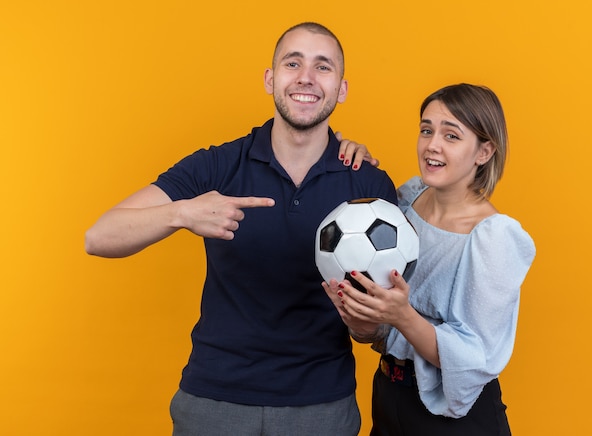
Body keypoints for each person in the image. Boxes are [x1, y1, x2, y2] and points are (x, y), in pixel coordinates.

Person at [85, 22, 396, 436]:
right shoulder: (218, 165)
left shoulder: (368, 185)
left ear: (341, 88)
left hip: (321, 407)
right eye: (292, 63)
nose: (306, 77)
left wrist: (363, 324)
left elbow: (373, 329)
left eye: (323, 67)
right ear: (271, 80)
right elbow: (99, 237)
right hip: (214, 402)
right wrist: (182, 213)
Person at [323, 83, 536, 435]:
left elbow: (473, 360)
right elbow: (380, 331)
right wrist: (361, 318)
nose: (432, 145)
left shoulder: (493, 238)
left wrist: (402, 315)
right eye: (426, 130)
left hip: (455, 420)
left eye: (451, 135)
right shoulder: (407, 201)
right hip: (389, 396)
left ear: (484, 151)